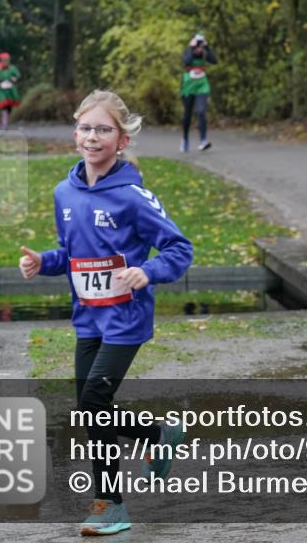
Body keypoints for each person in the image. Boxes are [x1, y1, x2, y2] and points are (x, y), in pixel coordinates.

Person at [17, 90, 194, 534]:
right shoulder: (64, 192)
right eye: (85, 128)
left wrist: (146, 271)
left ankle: (109, 504)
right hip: (88, 318)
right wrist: (43, 262)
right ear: (75, 133)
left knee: (95, 402)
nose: (92, 137)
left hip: (126, 319)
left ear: (121, 140)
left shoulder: (133, 196)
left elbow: (179, 248)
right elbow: (72, 255)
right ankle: (154, 438)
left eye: (103, 129)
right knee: (89, 410)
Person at [180, 33, 217, 152]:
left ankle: (203, 140)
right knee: (187, 114)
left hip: (202, 84)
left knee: (201, 111)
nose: (199, 49)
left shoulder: (204, 52)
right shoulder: (189, 52)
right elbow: (186, 61)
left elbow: (214, 61)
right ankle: (185, 139)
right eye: (197, 46)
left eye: (200, 46)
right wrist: (191, 47)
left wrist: (207, 47)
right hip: (189, 84)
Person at [0, 52, 20, 130]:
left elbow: (17, 77)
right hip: (1, 91)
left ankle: (6, 120)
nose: (6, 62)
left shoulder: (12, 68)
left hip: (10, 90)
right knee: (3, 106)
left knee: (9, 106)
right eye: (4, 61)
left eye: (7, 61)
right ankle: (4, 123)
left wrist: (14, 79)